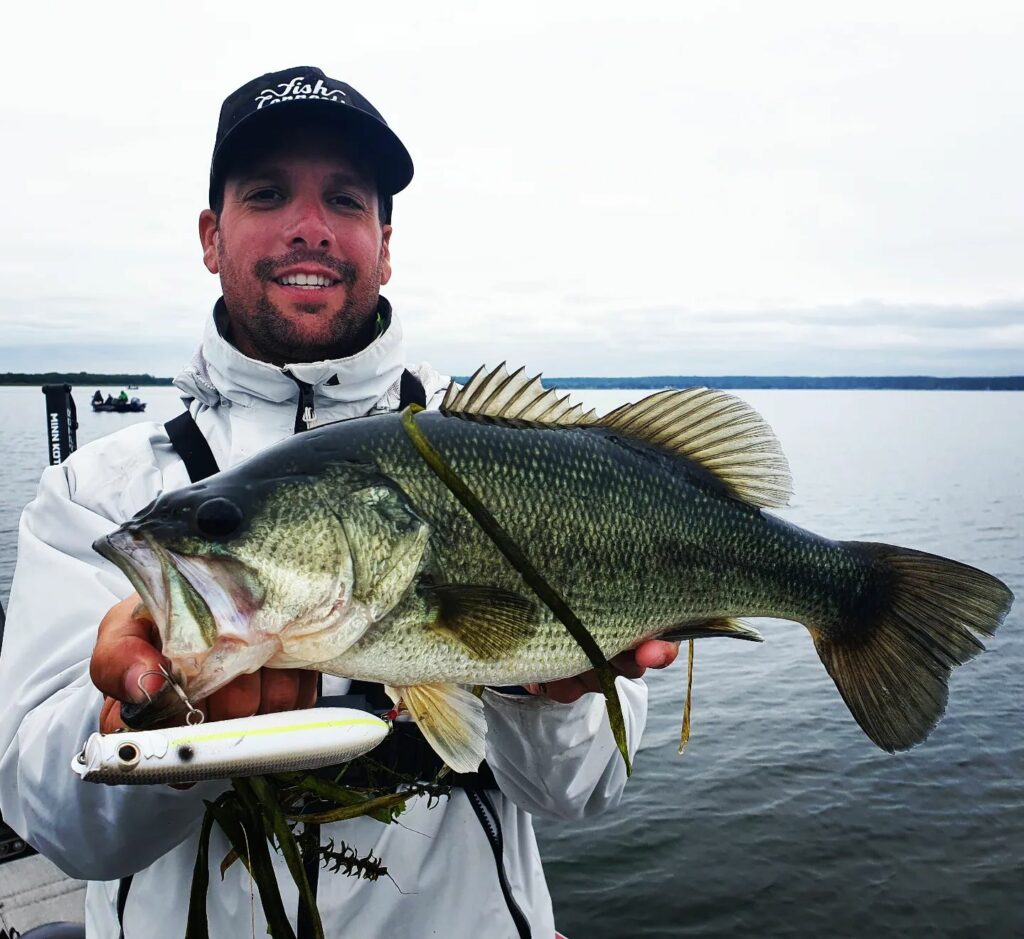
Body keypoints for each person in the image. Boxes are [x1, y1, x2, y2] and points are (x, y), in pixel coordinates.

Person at [0, 67, 678, 939]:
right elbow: (48, 816)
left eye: (346, 200)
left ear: (385, 242)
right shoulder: (100, 495)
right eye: (269, 193)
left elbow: (583, 790)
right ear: (212, 235)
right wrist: (149, 730)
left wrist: (547, 693)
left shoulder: (513, 459)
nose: (309, 229)